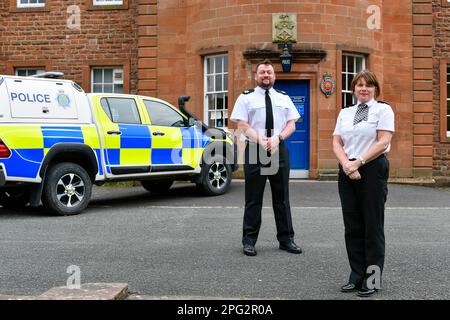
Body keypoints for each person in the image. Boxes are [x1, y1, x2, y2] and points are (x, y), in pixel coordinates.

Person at [230, 59, 302, 257]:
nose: (266, 76)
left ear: (274, 76)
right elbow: (242, 125)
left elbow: (292, 124)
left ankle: (287, 239)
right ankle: (249, 241)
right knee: (253, 198)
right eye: (262, 72)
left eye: (269, 72)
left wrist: (278, 138)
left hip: (279, 149)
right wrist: (260, 139)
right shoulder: (246, 98)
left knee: (282, 198)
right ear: (256, 76)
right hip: (255, 149)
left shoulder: (284, 97)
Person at [332, 69, 395, 297]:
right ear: (354, 89)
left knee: (372, 226)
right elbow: (337, 143)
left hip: (372, 168)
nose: (363, 88)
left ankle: (373, 279)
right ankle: (356, 276)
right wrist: (347, 165)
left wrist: (358, 162)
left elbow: (383, 141)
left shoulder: (383, 109)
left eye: (368, 85)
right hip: (347, 169)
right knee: (353, 226)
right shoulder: (345, 112)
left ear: (375, 88)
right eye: (359, 85)